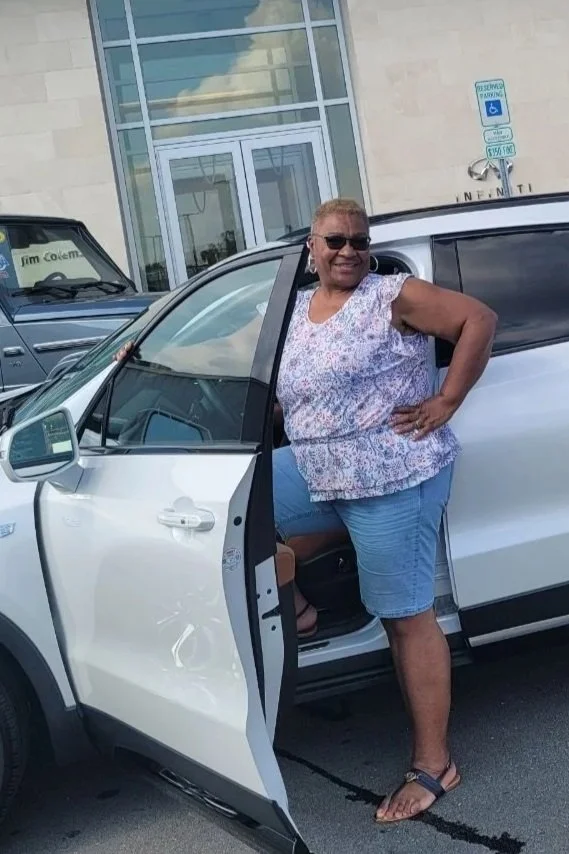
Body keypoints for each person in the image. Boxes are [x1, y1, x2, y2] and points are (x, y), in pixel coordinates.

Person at [115, 197, 497, 824]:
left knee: (404, 618)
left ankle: (434, 764)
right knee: (234, 516)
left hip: (388, 473)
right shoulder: (291, 310)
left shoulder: (392, 296)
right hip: (317, 467)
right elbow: (226, 349)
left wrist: (447, 400)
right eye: (335, 241)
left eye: (359, 241)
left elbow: (477, 319)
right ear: (311, 249)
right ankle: (302, 609)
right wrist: (150, 354)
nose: (348, 251)